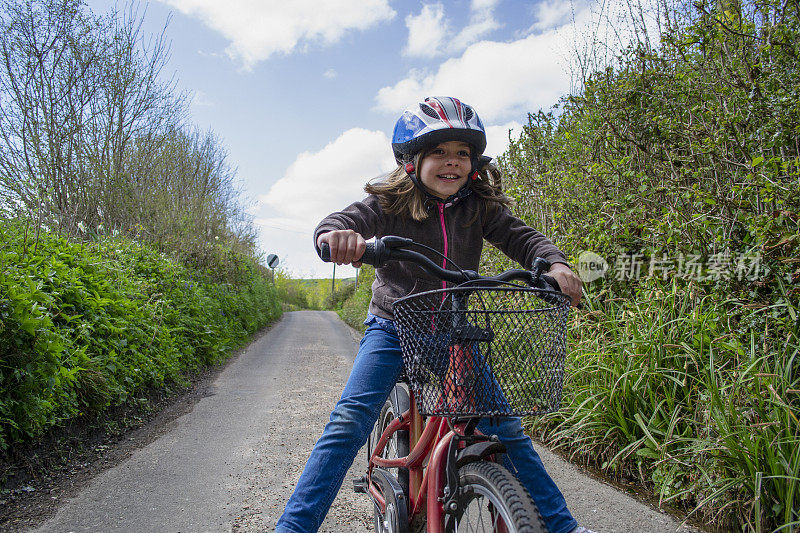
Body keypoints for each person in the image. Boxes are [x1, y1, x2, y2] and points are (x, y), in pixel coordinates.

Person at [276, 96, 593, 533]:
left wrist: (555, 264)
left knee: (509, 430)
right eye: (439, 152)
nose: (452, 162)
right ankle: (293, 527)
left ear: (474, 162)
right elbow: (338, 221)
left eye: (462, 153)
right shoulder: (388, 205)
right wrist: (337, 237)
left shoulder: (479, 207)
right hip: (393, 327)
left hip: (453, 330)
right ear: (411, 161)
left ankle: (563, 527)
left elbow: (525, 239)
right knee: (349, 422)